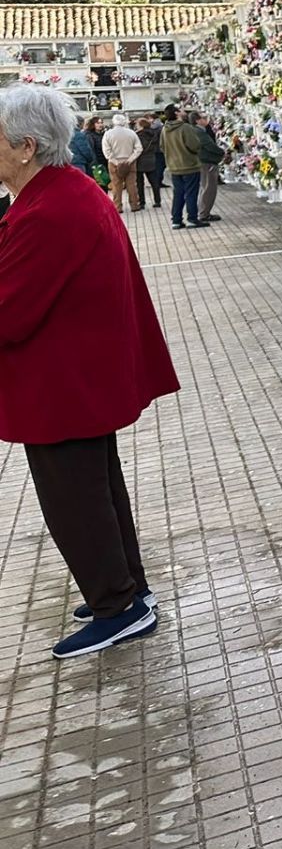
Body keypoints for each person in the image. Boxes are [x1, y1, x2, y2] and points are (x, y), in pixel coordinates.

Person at [0, 86, 178, 658]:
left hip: (62, 384)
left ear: (25, 147)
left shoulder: (48, 210)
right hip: (80, 375)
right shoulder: (66, 190)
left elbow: (8, 312)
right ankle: (127, 590)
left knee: (74, 500)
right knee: (98, 491)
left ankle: (117, 607)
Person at [160, 106, 204, 229]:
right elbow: (194, 145)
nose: (184, 112)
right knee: (191, 193)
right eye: (181, 110)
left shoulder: (165, 129)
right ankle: (192, 219)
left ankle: (176, 220)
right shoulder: (185, 128)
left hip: (174, 166)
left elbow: (162, 146)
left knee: (178, 193)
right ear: (177, 113)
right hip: (189, 165)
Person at [102, 114, 144, 214]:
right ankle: (134, 205)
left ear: (113, 122)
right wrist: (130, 160)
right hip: (130, 162)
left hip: (114, 163)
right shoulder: (132, 133)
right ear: (124, 122)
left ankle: (118, 207)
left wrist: (116, 162)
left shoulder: (108, 134)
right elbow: (139, 148)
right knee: (132, 185)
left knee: (116, 186)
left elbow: (106, 151)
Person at [191, 111, 225, 223]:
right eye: (203, 118)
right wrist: (222, 152)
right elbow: (209, 146)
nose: (206, 119)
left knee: (205, 187)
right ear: (197, 120)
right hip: (207, 162)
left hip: (204, 161)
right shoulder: (199, 132)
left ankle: (203, 212)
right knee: (208, 188)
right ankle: (204, 214)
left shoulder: (199, 131)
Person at [137, 115, 165, 210]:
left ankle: (142, 202)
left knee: (140, 183)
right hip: (151, 159)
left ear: (141, 125)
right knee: (154, 182)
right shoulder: (154, 134)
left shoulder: (138, 135)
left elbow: (139, 148)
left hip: (139, 160)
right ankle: (157, 201)